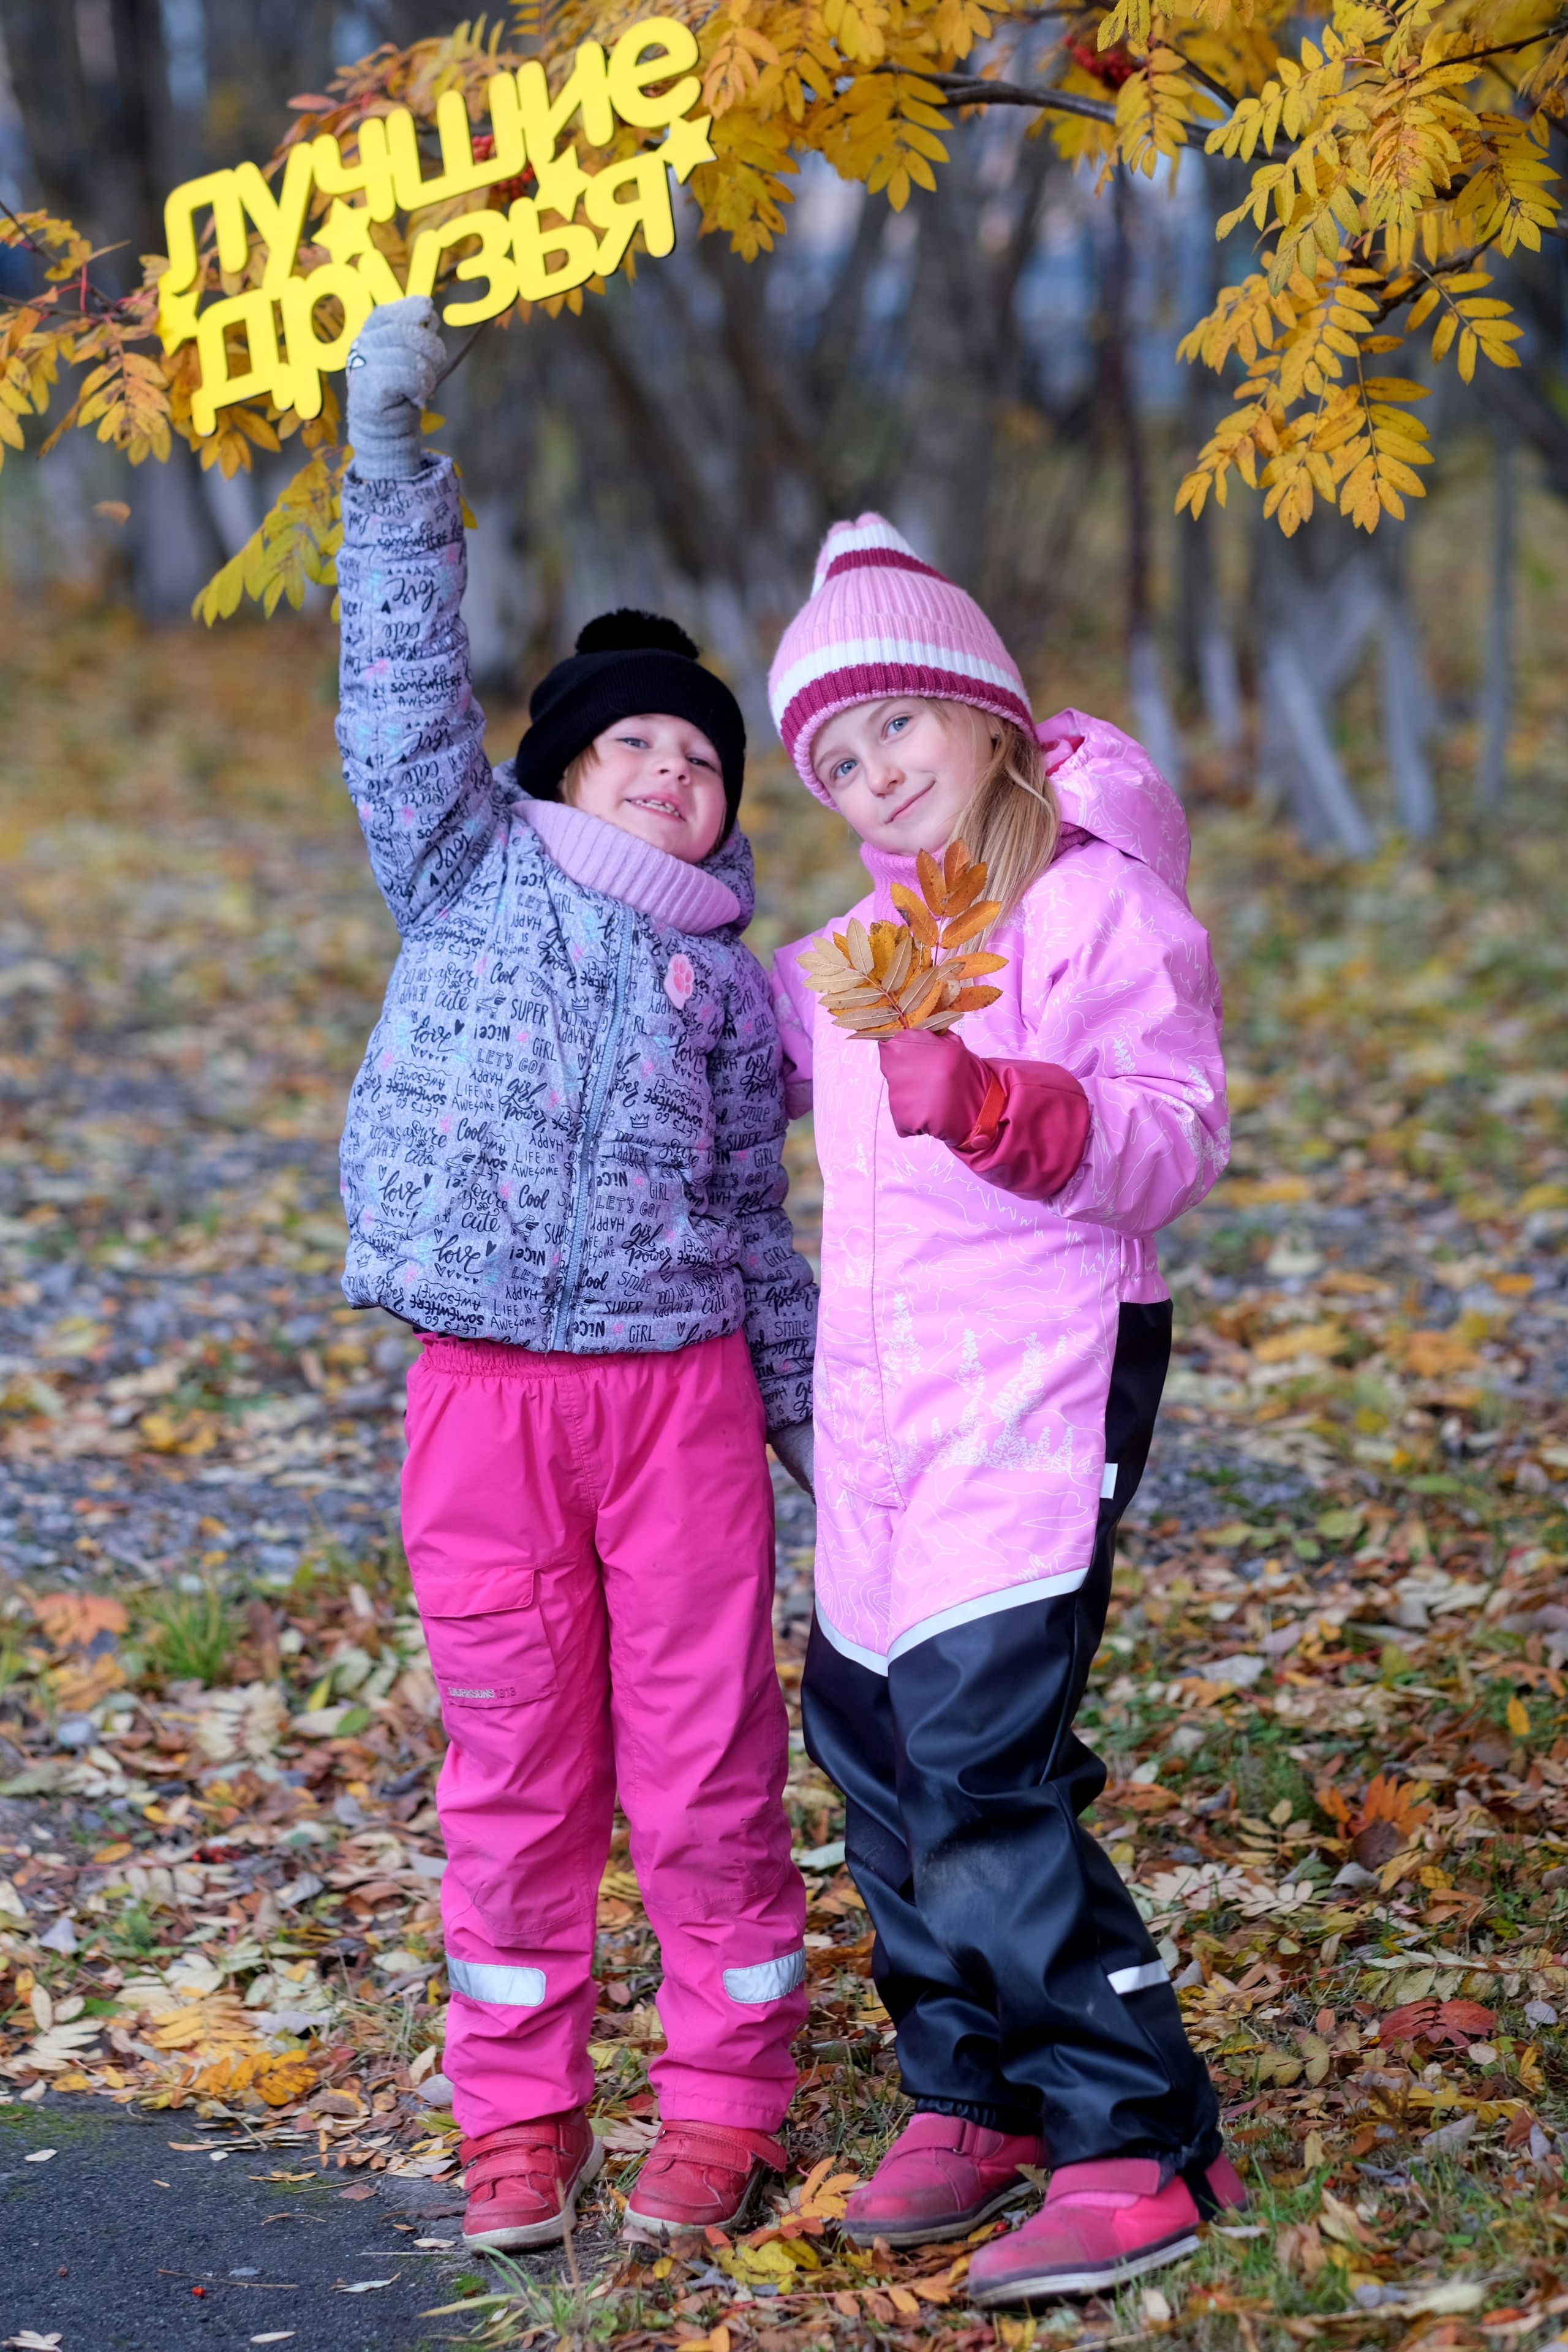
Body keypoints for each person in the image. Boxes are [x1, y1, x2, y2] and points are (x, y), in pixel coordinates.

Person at [336, 298, 818, 2252]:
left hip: (680, 1396)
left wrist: (813, 1434)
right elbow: (394, 690)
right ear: (554, 771)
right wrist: (390, 470)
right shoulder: (463, 861)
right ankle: (517, 2122)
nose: (669, 780)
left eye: (700, 764)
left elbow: (761, 1224)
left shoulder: (737, 988)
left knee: (705, 1767)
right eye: (630, 748)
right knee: (518, 1773)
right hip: (485, 1400)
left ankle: (726, 2100)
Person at [766, 514, 1243, 2304]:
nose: (876, 772)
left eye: (899, 724)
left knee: (981, 1758)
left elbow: (1170, 1135)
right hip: (884, 1412)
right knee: (876, 1746)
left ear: (984, 717)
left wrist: (1002, 1106)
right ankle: (974, 2093)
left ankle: (1132, 2133)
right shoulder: (846, 957)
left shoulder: (1090, 902)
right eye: (837, 756)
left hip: (1039, 1379)